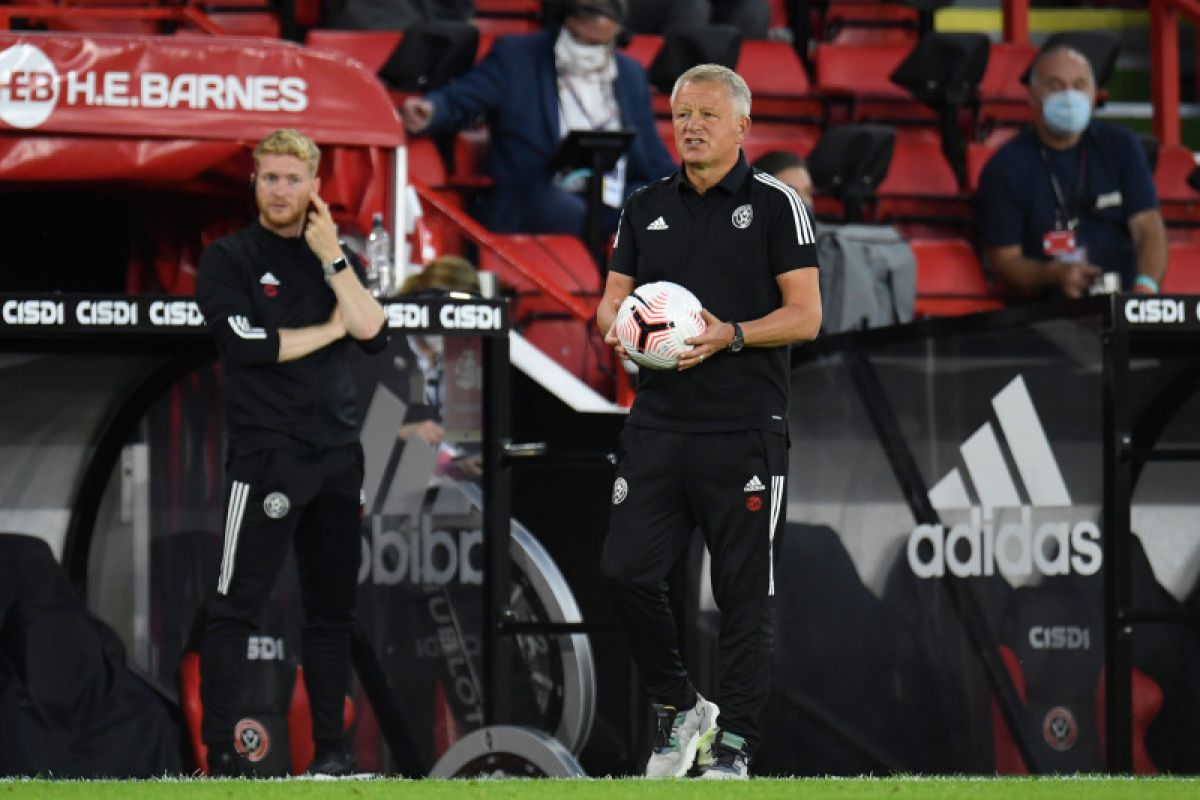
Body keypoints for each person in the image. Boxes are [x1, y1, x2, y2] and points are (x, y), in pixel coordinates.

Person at [595, 63, 822, 780]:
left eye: (706, 115)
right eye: (680, 114)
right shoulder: (643, 205)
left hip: (745, 426)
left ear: (742, 127)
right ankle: (679, 705)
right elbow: (610, 302)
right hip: (657, 425)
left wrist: (730, 335)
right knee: (625, 571)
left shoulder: (778, 203)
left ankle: (738, 745)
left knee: (744, 597)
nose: (690, 126)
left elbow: (807, 316)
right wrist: (621, 329)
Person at [194, 129, 388, 777]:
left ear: (315, 187)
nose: (281, 190)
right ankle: (221, 755)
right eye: (269, 178)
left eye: (292, 179)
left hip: (338, 455)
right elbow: (252, 347)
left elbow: (372, 332)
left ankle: (330, 755)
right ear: (254, 183)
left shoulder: (332, 254)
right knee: (236, 605)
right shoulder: (228, 259)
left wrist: (333, 258)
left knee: (331, 612)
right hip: (268, 456)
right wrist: (330, 326)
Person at [400, 0, 675, 238]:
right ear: (564, 21)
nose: (586, 49)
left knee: (657, 205)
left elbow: (652, 156)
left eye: (597, 43)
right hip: (535, 195)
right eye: (579, 39)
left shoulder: (631, 75)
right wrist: (432, 110)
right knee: (571, 210)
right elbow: (463, 97)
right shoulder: (516, 57)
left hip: (613, 197)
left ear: (617, 34)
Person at [977, 45, 1168, 300]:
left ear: (1093, 95)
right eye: (1056, 86)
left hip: (1124, 300)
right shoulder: (1006, 166)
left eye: (1079, 85)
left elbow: (1148, 227)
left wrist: (1144, 294)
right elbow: (1004, 259)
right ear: (1033, 97)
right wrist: (1053, 274)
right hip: (1044, 313)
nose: (1069, 96)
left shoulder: (1121, 146)